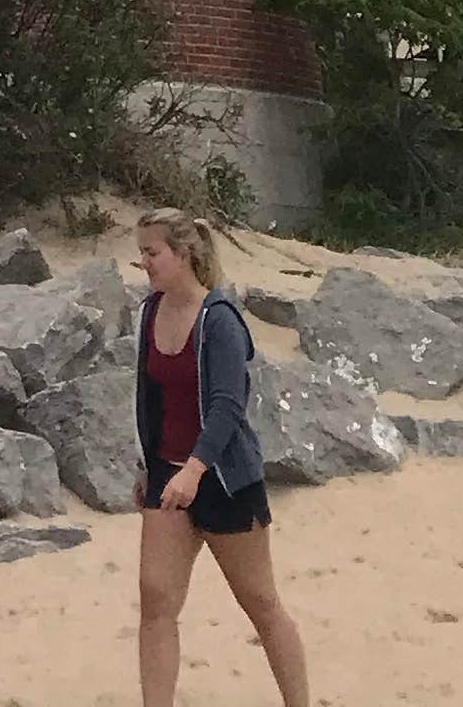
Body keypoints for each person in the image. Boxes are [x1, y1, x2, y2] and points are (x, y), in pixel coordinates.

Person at [135, 212, 309, 707]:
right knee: (156, 603)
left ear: (183, 253)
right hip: (167, 475)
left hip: (224, 480)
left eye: (152, 252)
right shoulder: (150, 311)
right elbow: (150, 397)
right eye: (142, 253)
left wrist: (194, 471)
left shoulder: (221, 320)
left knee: (261, 603)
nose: (144, 262)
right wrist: (150, 466)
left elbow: (227, 407)